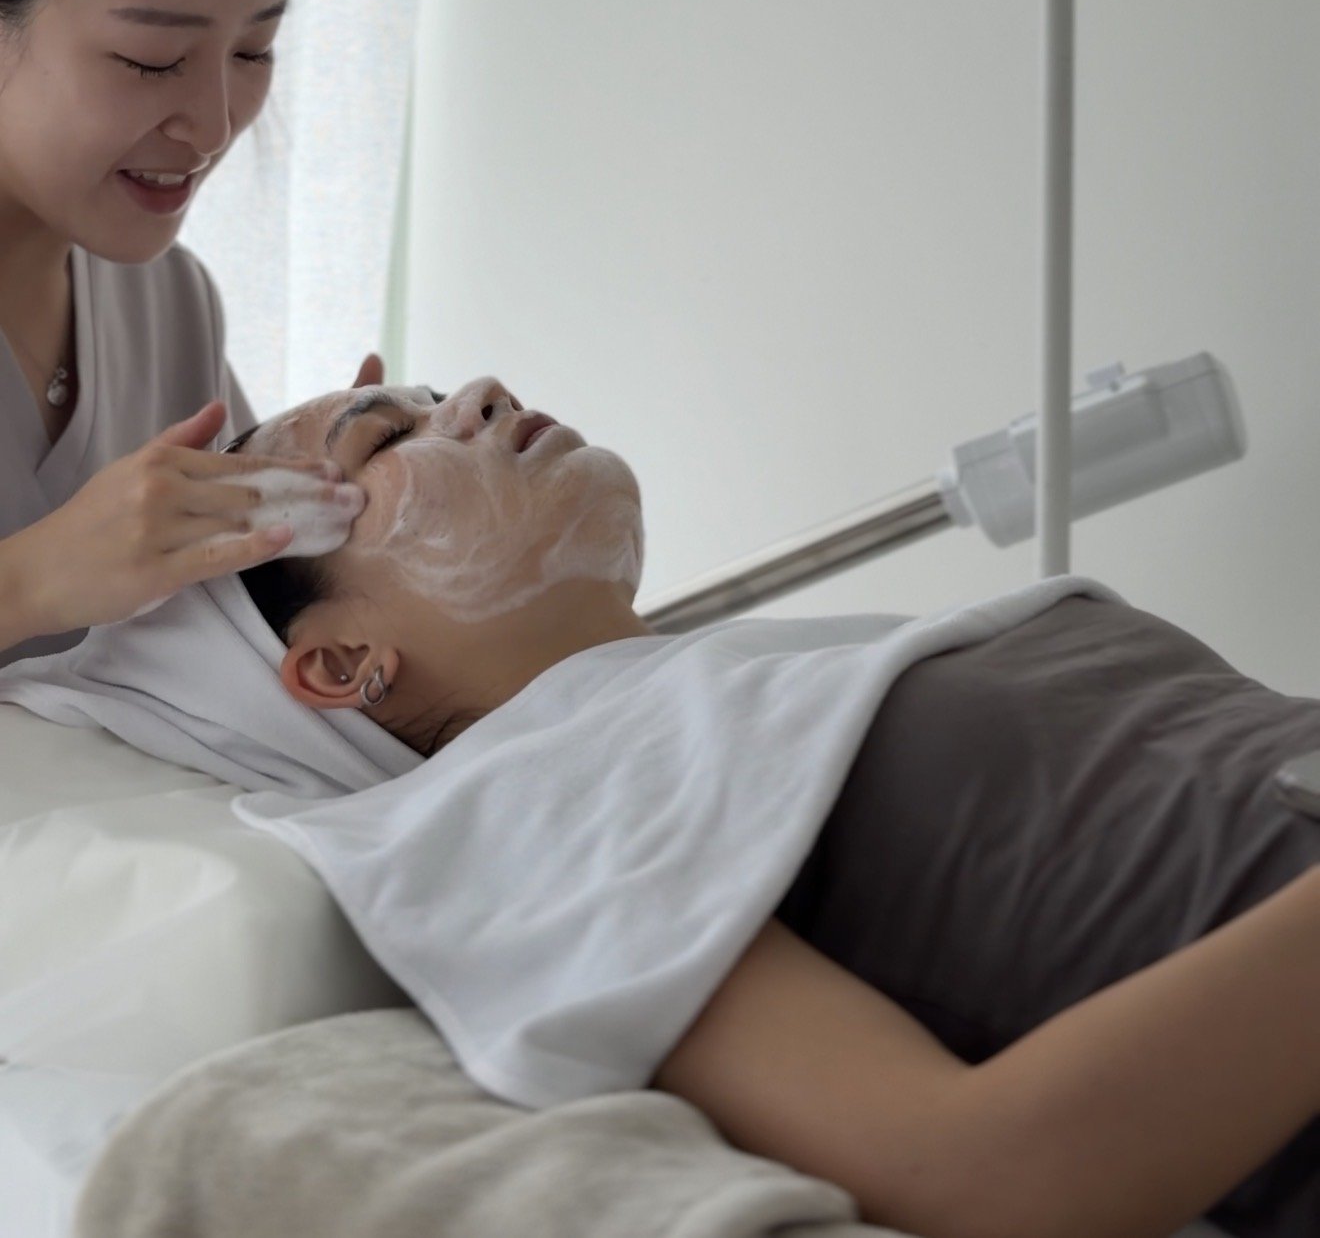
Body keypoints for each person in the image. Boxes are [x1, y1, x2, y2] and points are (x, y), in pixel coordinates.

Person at [216, 373, 1320, 1238]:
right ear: (342, 662)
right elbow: (979, 1172)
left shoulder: (739, 690)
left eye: (429, 391)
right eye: (386, 437)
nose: (481, 392)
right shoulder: (520, 808)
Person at [0, 0, 382, 664]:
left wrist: (334, 493)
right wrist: (28, 582)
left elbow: (234, 631)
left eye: (254, 51)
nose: (213, 126)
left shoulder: (166, 303)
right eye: (152, 60)